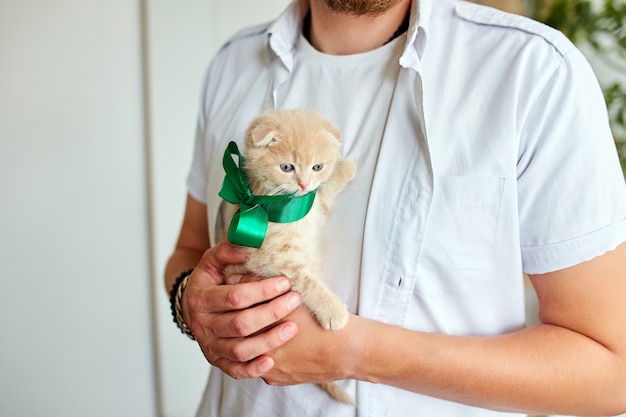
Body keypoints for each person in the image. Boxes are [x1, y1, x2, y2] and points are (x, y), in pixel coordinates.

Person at [165, 0, 626, 415]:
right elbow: (189, 251)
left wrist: (356, 353)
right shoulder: (231, 65)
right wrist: (191, 305)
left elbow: (612, 373)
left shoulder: (534, 70)